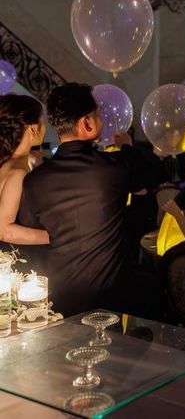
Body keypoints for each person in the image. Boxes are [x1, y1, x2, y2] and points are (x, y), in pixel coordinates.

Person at [18, 83, 159, 317]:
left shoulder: (34, 180)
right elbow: (153, 175)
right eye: (98, 113)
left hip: (59, 297)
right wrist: (127, 147)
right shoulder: (113, 168)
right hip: (112, 299)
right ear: (87, 123)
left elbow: (32, 234)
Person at [0, 95, 50, 246]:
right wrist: (54, 237)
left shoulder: (8, 164)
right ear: (33, 128)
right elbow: (4, 230)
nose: (45, 127)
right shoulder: (17, 173)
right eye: (43, 121)